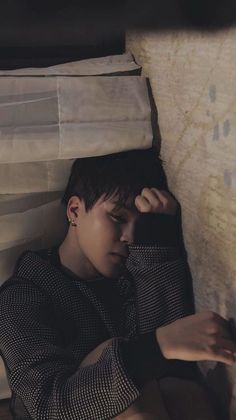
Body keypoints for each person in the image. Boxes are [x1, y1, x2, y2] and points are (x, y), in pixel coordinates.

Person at [0, 148, 235, 420]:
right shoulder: (19, 297)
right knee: (114, 357)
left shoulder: (131, 272)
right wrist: (159, 344)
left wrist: (154, 238)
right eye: (118, 217)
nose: (129, 238)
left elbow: (174, 362)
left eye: (138, 226)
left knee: (179, 391)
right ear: (75, 210)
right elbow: (49, 407)